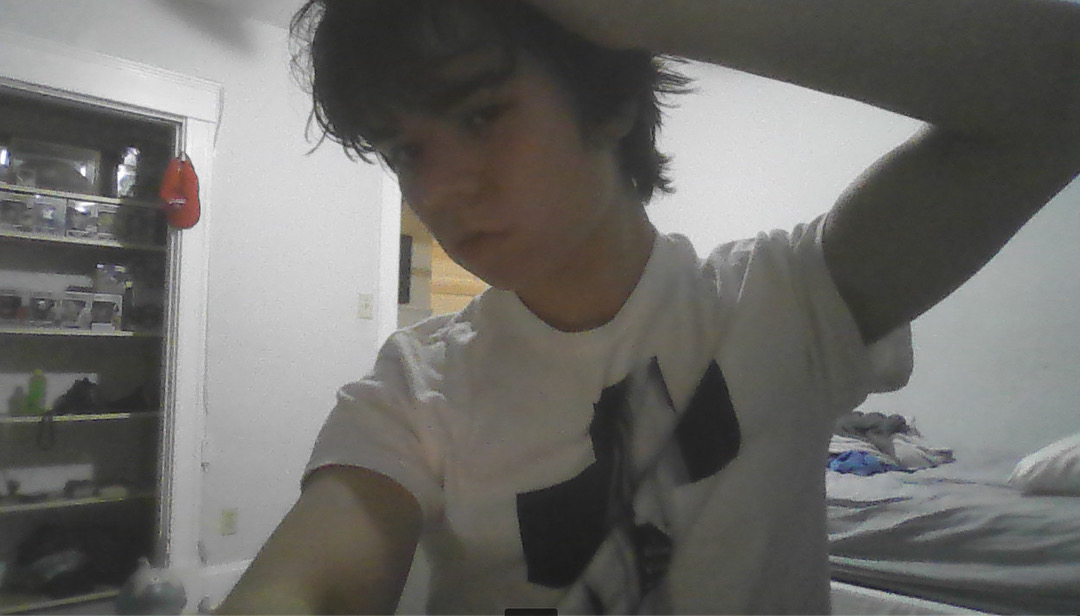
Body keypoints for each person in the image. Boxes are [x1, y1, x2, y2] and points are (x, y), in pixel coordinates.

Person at [218, 0, 1080, 613]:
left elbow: (1060, 89)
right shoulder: (416, 386)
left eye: (481, 116)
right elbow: (310, 584)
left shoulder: (784, 302)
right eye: (408, 150)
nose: (438, 190)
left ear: (614, 104)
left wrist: (654, 13)